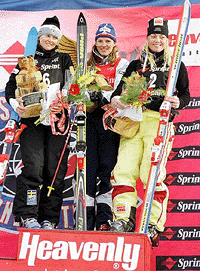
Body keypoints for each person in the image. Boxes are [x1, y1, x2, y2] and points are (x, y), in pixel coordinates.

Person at [109, 17, 190, 246]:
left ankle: (153, 222)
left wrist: (177, 101)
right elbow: (117, 93)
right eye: (153, 36)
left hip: (159, 122)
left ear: (167, 39)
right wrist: (119, 101)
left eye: (161, 37)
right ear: (147, 38)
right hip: (134, 121)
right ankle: (123, 217)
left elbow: (185, 94)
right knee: (123, 170)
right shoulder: (137, 64)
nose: (157, 40)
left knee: (151, 173)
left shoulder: (175, 64)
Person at [5, 16, 73, 229]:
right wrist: (16, 106)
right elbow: (10, 89)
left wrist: (65, 98)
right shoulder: (27, 59)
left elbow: (72, 86)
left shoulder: (64, 59)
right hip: (32, 121)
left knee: (54, 171)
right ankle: (28, 214)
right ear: (40, 37)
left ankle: (49, 219)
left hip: (57, 121)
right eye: (47, 35)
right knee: (34, 169)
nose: (50, 40)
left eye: (54, 37)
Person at [86, 23, 129, 231]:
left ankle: (104, 217)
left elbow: (121, 90)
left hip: (112, 121)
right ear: (95, 42)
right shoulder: (85, 64)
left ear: (114, 44)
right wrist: (87, 96)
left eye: (108, 41)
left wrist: (104, 97)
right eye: (100, 40)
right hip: (89, 119)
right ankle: (84, 216)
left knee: (107, 168)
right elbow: (73, 90)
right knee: (87, 168)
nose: (104, 44)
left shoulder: (122, 63)